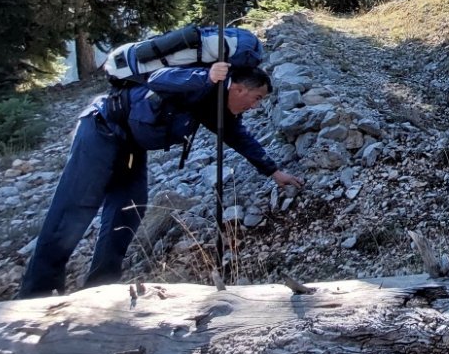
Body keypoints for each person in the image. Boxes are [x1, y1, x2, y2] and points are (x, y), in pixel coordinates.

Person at [19, 62, 303, 297]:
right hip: (101, 129)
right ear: (238, 88)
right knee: (74, 210)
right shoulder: (203, 82)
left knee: (127, 212)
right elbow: (159, 77)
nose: (256, 106)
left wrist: (273, 171)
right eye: (257, 98)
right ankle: (36, 295)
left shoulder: (217, 106)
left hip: (131, 146)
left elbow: (240, 138)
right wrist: (205, 77)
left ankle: (99, 291)